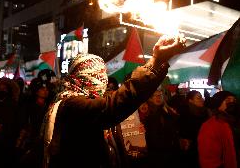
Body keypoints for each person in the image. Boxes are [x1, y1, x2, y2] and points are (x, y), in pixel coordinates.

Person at [42, 34, 186, 168]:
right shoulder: (71, 104)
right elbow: (116, 104)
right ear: (81, 76)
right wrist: (156, 60)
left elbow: (126, 97)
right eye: (96, 75)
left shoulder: (85, 99)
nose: (102, 80)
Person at [198, 91, 239, 168]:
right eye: (227, 100)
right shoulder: (210, 126)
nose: (232, 102)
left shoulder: (235, 121)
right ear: (218, 103)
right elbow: (208, 160)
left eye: (234, 100)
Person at [143, 89, 180, 168]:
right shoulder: (146, 112)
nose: (158, 97)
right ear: (150, 98)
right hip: (154, 153)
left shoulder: (167, 110)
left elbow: (172, 128)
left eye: (160, 95)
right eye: (155, 96)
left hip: (169, 151)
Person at [179, 90, 209, 168]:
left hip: (204, 147)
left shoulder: (205, 112)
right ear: (190, 101)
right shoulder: (185, 113)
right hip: (191, 149)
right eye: (198, 98)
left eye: (201, 97)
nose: (202, 99)